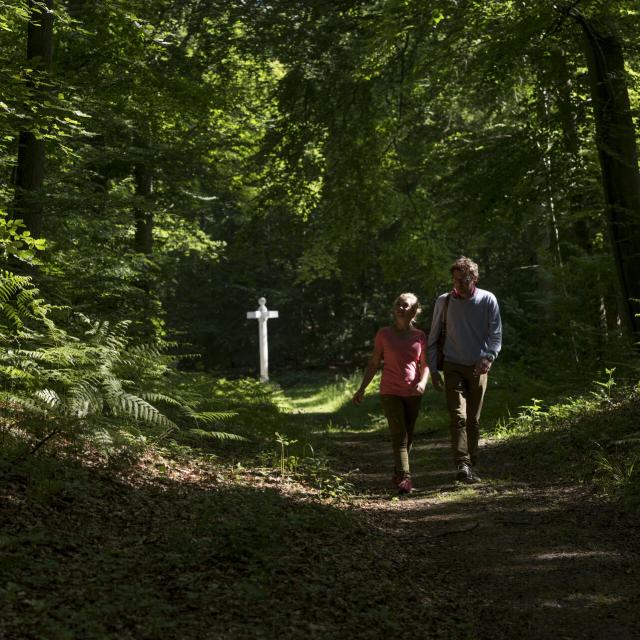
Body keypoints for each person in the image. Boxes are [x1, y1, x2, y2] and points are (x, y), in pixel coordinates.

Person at [427, 257, 502, 484]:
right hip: (452, 365)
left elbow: (496, 334)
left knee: (473, 420)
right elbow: (433, 337)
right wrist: (432, 370)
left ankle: (472, 461)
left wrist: (489, 357)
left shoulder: (488, 299)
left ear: (474, 278)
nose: (458, 284)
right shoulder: (444, 301)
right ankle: (462, 464)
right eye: (455, 279)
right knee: (458, 417)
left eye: (463, 279)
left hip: (479, 367)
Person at [353, 293, 429, 494]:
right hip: (390, 391)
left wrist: (422, 382)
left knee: (408, 436)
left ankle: (398, 473)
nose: (401, 308)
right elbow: (373, 362)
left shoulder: (419, 336)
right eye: (398, 305)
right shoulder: (384, 334)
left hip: (413, 392)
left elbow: (425, 364)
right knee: (400, 435)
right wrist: (362, 388)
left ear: (414, 310)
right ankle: (405, 479)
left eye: (406, 306)